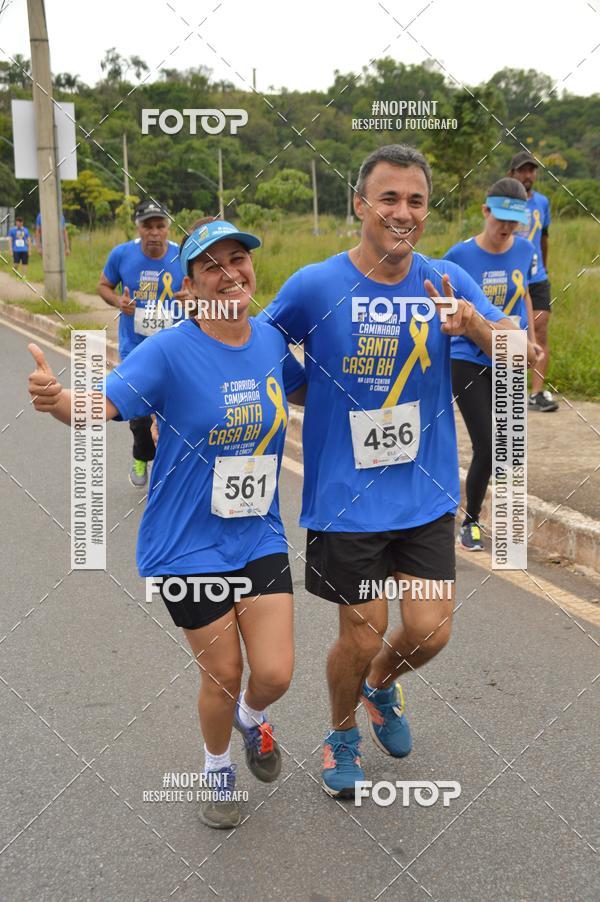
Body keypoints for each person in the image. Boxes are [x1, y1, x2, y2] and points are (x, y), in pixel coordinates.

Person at [261, 144, 538, 799]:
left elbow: (520, 348)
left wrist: (471, 320)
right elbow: (257, 349)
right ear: (360, 204)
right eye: (389, 198)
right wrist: (306, 387)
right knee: (361, 631)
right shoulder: (316, 284)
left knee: (429, 629)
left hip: (424, 489)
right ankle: (340, 735)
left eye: (415, 200)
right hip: (343, 496)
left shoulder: (444, 280)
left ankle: (381, 688)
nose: (403, 212)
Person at [28, 218, 306, 830]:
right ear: (187, 287)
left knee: (275, 674)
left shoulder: (268, 341)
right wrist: (59, 400)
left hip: (257, 531)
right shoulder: (167, 350)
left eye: (239, 259)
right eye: (212, 266)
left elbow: (313, 390)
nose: (230, 273)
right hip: (185, 544)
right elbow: (97, 404)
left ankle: (253, 721)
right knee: (225, 672)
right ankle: (215, 769)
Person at [446, 178, 541, 551]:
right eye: (500, 218)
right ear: (485, 211)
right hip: (466, 358)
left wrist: (531, 341)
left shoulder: (526, 250)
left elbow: (526, 298)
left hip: (510, 355)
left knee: (510, 446)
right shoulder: (459, 256)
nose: (506, 228)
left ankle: (506, 524)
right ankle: (470, 521)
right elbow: (447, 310)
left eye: (513, 221)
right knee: (487, 443)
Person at [98, 200, 185, 488]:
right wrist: (118, 302)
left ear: (168, 228)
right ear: (139, 228)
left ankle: (170, 469)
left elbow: (200, 288)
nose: (154, 232)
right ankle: (141, 454)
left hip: (175, 346)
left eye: (160, 226)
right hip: (135, 348)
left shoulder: (182, 256)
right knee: (139, 411)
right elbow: (103, 286)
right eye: (148, 226)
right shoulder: (121, 255)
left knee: (176, 409)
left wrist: (192, 300)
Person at [508, 150, 558, 412]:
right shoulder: (504, 203)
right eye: (522, 170)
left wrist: (545, 267)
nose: (528, 175)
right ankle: (510, 389)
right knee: (513, 332)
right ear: (512, 174)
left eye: (532, 170)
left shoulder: (542, 203)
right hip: (510, 276)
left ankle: (536, 394)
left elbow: (544, 237)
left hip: (537, 277)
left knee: (539, 330)